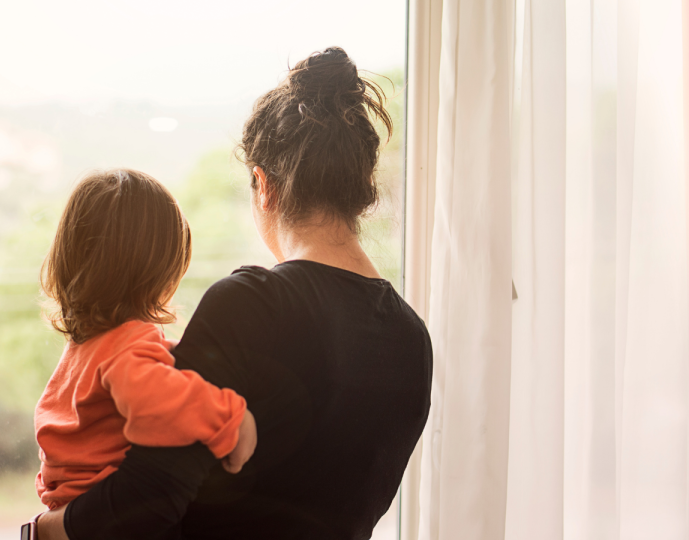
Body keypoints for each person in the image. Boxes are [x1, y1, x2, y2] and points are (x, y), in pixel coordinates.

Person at [38, 46, 433, 540]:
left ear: (261, 185)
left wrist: (41, 530)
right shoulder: (411, 338)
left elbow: (146, 503)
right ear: (359, 188)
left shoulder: (253, 304)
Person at [31, 169, 258, 514]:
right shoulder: (127, 346)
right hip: (106, 518)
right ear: (157, 275)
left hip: (70, 511)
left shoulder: (83, 349)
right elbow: (160, 403)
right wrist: (230, 419)